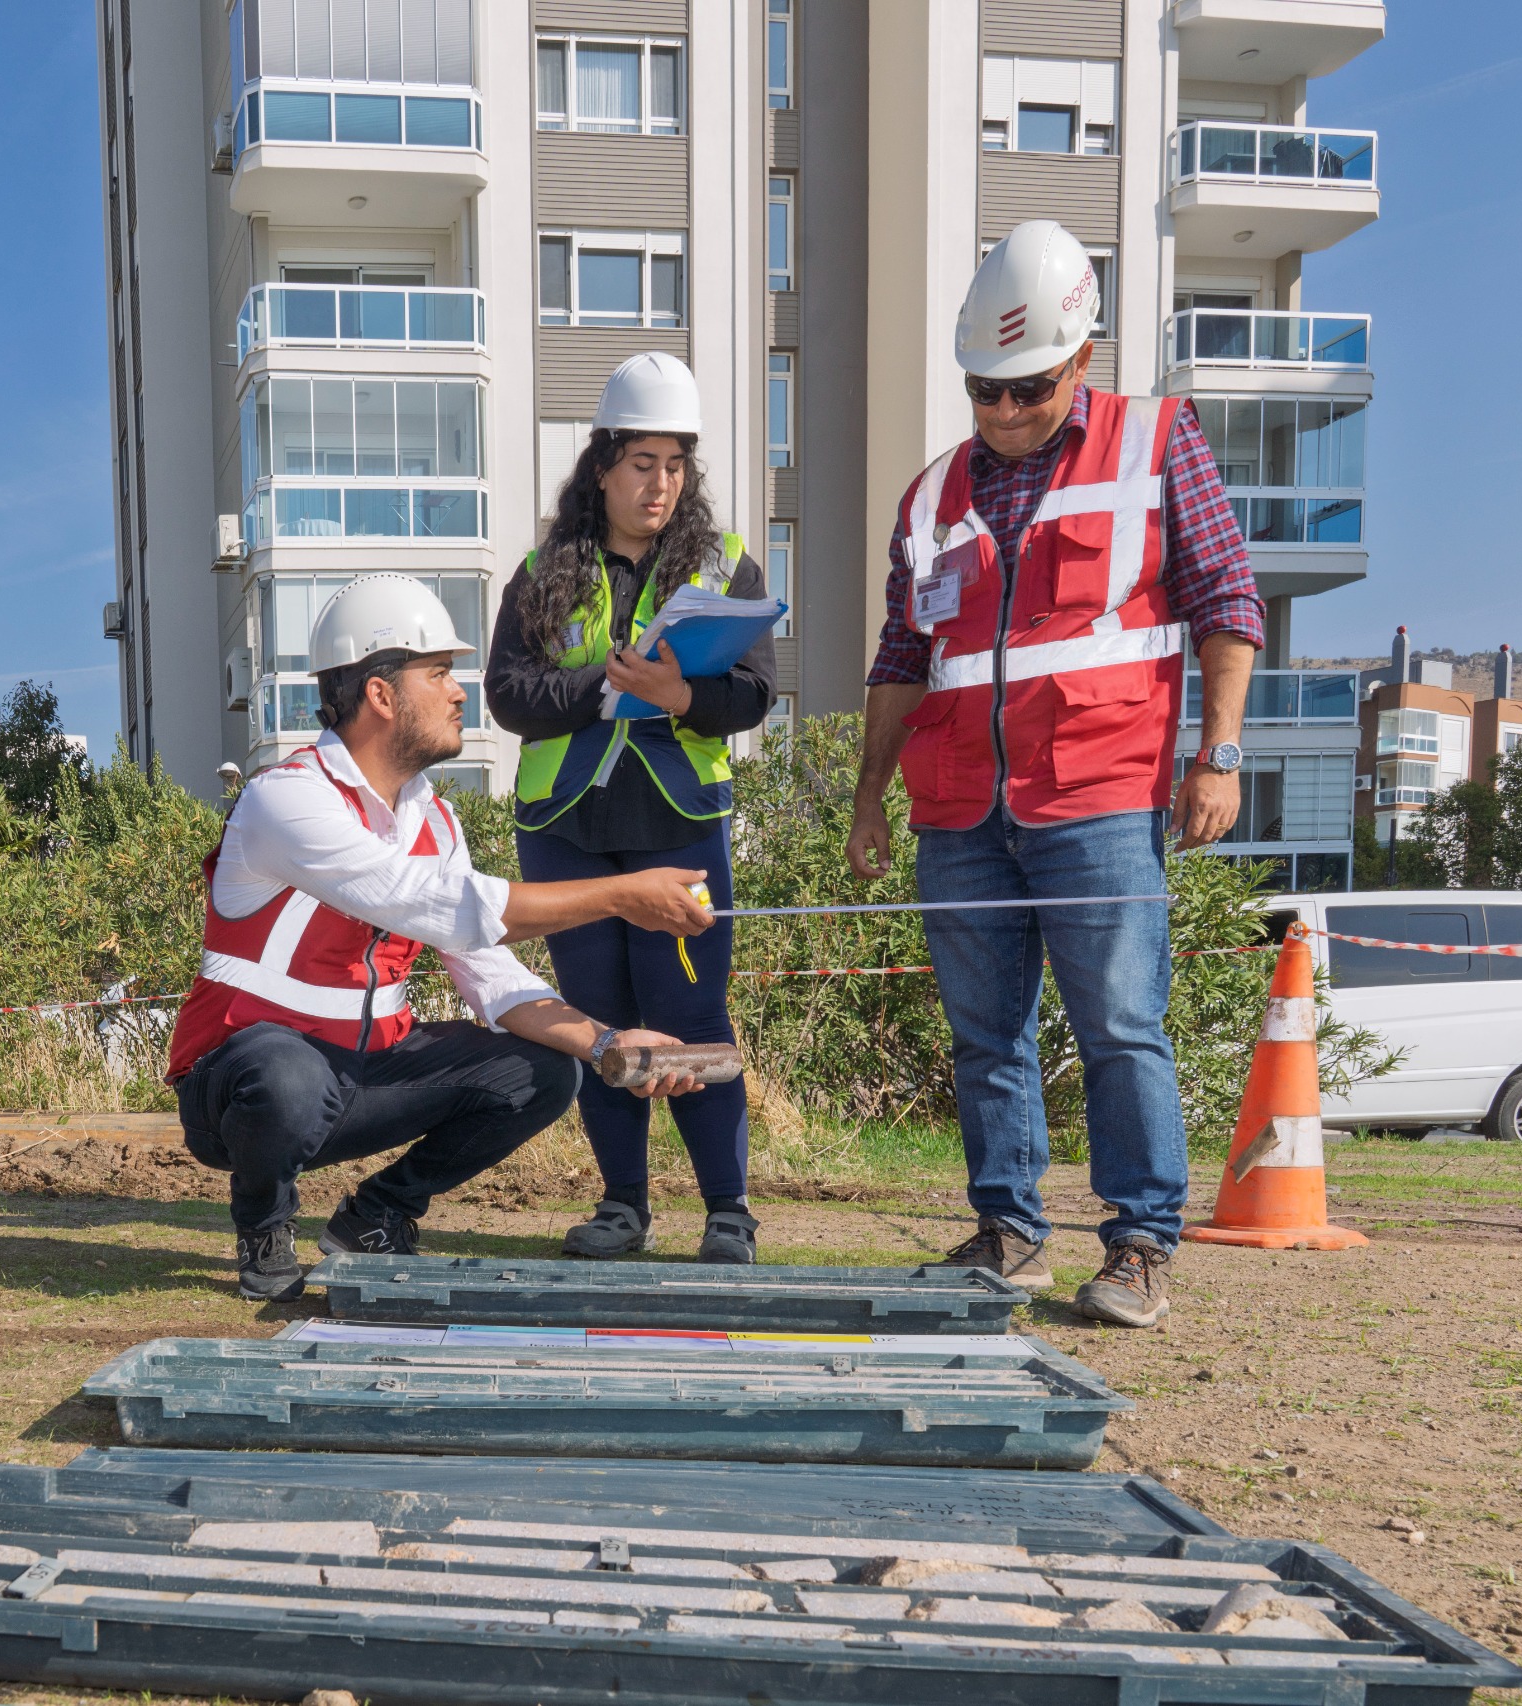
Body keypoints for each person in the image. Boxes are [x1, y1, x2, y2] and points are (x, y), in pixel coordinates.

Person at [845, 221, 1264, 1329]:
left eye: (1027, 389)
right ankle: (1009, 1229)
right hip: (958, 806)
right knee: (985, 1035)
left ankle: (1137, 1243)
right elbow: (901, 653)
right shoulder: (931, 495)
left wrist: (1218, 753)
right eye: (984, 389)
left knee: (1121, 1025)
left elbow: (1227, 600)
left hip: (1101, 794)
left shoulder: (1155, 442)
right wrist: (866, 797)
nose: (1003, 411)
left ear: (1082, 360)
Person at [167, 573, 714, 1301]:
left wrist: (612, 1045)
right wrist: (617, 896)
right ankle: (265, 1225)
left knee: (547, 1072)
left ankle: (376, 1217)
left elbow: (490, 971)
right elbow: (427, 904)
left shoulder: (436, 823)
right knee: (286, 1075)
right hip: (240, 1090)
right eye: (439, 673)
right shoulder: (284, 798)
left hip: (361, 1077)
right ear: (381, 695)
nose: (461, 692)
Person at [486, 352, 777, 1264]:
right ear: (602, 466)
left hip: (679, 825)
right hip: (565, 832)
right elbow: (507, 695)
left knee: (692, 1016)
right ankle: (623, 1208)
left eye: (676, 464)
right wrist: (606, 692)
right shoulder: (541, 571)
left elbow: (755, 694)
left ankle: (728, 1211)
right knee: (601, 1021)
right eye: (642, 463)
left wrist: (680, 696)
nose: (660, 484)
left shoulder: (726, 565)